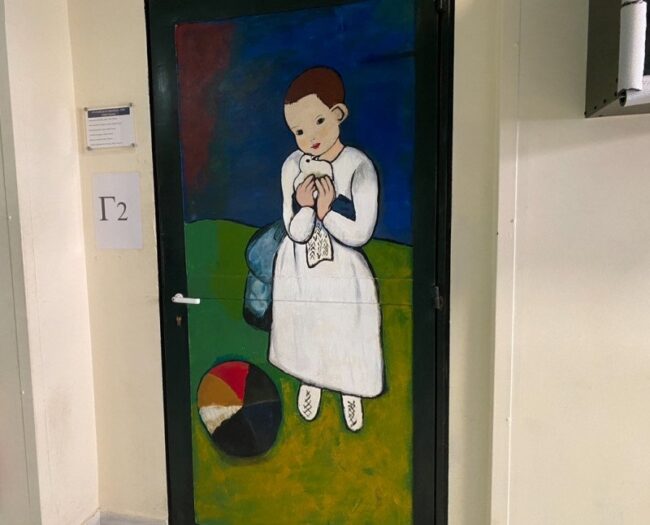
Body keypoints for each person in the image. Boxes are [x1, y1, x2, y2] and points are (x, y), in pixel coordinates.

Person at [269, 67, 383, 432]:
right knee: (307, 323)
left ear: (337, 114)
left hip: (342, 267)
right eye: (299, 131)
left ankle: (351, 389)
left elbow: (361, 232)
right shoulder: (292, 165)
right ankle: (311, 378)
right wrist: (305, 208)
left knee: (345, 326)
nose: (311, 137)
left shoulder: (359, 166)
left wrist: (326, 212)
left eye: (318, 122)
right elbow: (294, 230)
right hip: (299, 264)